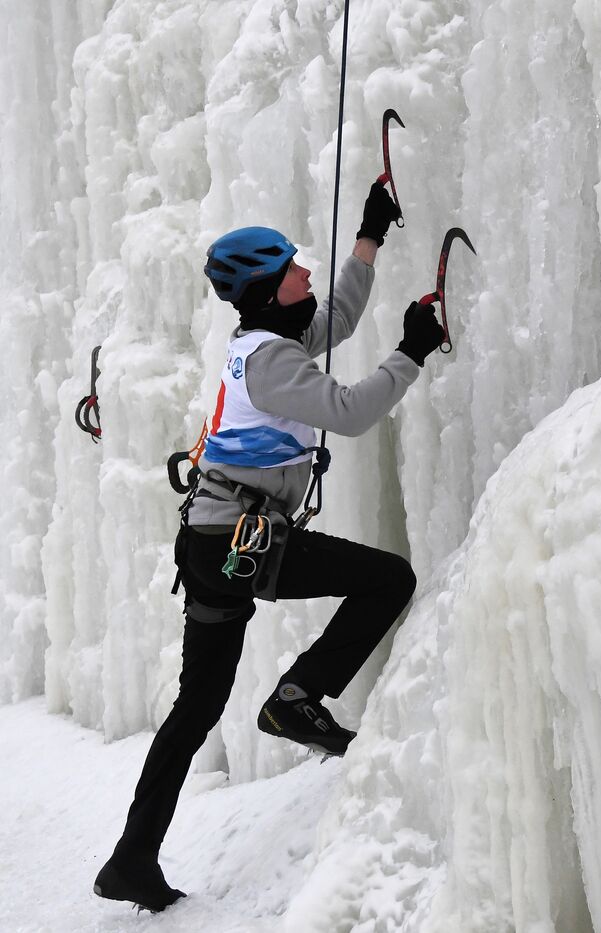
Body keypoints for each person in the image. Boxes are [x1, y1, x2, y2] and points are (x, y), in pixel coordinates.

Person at [94, 180, 445, 913]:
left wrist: (369, 239)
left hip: (213, 542)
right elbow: (349, 410)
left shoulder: (264, 343)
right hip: (240, 540)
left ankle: (131, 858)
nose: (305, 271)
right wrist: (411, 350)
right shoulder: (272, 362)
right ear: (265, 289)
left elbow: (337, 318)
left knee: (197, 706)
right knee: (389, 579)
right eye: (292, 267)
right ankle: (297, 697)